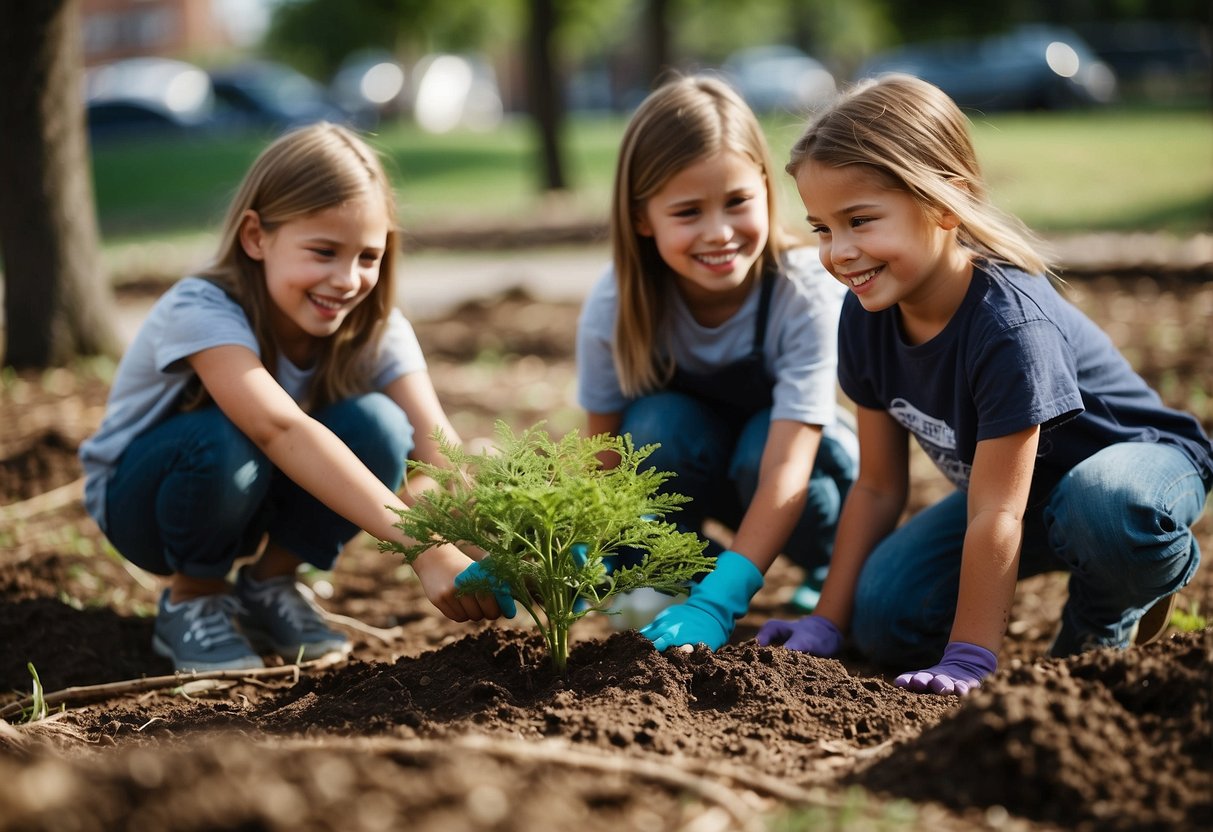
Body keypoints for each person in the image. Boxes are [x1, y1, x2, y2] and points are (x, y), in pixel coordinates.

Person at [758, 74, 1213, 695]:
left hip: (1133, 471)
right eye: (821, 228)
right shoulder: (864, 316)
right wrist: (828, 619)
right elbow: (876, 487)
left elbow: (999, 510)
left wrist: (971, 658)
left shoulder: (1008, 325)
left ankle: (1121, 599)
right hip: (1023, 493)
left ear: (947, 203)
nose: (839, 252)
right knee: (887, 615)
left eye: (860, 221)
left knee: (1110, 515)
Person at [79, 122, 509, 674]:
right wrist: (426, 550)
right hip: (142, 504)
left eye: (368, 257)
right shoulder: (202, 309)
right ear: (256, 236)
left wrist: (499, 538)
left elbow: (441, 456)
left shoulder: (376, 328)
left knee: (380, 424)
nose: (347, 279)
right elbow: (277, 429)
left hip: (254, 492)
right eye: (324, 251)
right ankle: (193, 599)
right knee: (228, 434)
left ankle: (269, 586)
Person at [575, 75, 858, 652]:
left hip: (797, 476)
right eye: (687, 212)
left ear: (766, 188)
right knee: (655, 426)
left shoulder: (802, 292)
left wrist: (720, 601)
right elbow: (604, 457)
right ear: (641, 218)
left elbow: (785, 466)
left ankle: (823, 566)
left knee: (759, 445)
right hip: (701, 469)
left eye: (737, 202)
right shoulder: (617, 305)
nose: (719, 233)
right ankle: (678, 573)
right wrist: (592, 550)